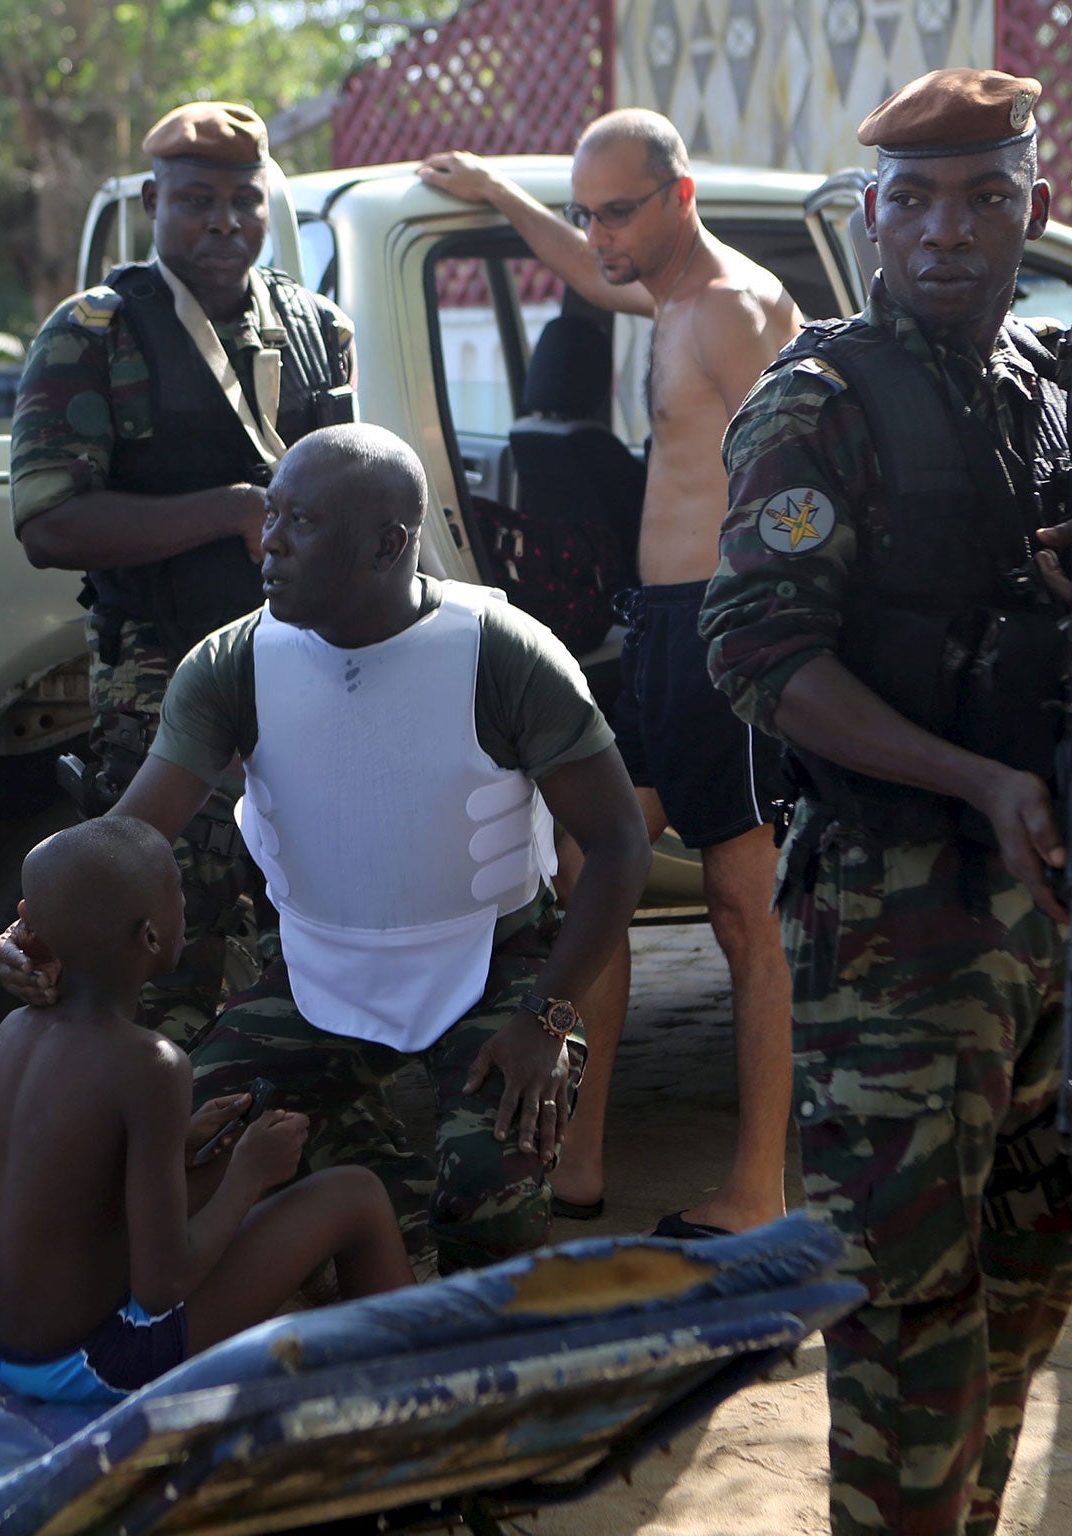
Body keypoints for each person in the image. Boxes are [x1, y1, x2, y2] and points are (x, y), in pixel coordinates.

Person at [699, 69, 1072, 1534]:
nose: (948, 232)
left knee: (1036, 1266)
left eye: (986, 197)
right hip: (898, 920)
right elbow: (758, 654)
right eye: (916, 200)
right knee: (907, 1313)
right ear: (874, 219)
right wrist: (975, 779)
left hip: (1058, 913)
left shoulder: (1064, 384)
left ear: (1034, 215)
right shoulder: (819, 400)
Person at [0, 425, 654, 1273]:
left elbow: (617, 846)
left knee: (488, 1208)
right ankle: (370, 1198)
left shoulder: (504, 653)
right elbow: (130, 835)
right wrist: (32, 930)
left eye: (299, 522)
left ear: (387, 543)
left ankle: (450, 1288)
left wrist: (550, 1015)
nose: (267, 542)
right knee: (183, 1149)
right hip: (314, 968)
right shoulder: (234, 663)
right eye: (269, 514)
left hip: (492, 964)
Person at [418, 112, 801, 1238]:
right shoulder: (661, 287)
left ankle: (757, 1188)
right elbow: (585, 268)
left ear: (679, 197)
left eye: (617, 209)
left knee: (745, 912)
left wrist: (765, 638)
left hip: (721, 636)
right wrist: (497, 192)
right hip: (654, 634)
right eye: (587, 211)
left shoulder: (727, 310)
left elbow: (795, 489)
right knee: (594, 858)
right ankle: (576, 1161)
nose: (598, 236)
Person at [12, 101, 356, 1044]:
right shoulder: (95, 332)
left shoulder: (318, 326)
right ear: (153, 206)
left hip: (312, 673)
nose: (224, 222)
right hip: (164, 678)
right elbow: (48, 523)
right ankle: (168, 1147)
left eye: (244, 200)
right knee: (176, 943)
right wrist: (233, 510)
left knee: (312, 936)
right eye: (196, 200)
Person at [0, 816, 411, 1404]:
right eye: (178, 889)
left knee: (209, 1165)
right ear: (151, 937)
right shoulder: (151, 1064)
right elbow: (161, 1287)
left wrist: (184, 1145)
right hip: (81, 1364)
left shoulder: (12, 1030)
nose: (186, 900)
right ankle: (429, 1412)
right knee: (355, 1194)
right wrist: (251, 1173)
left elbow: (74, 1180)